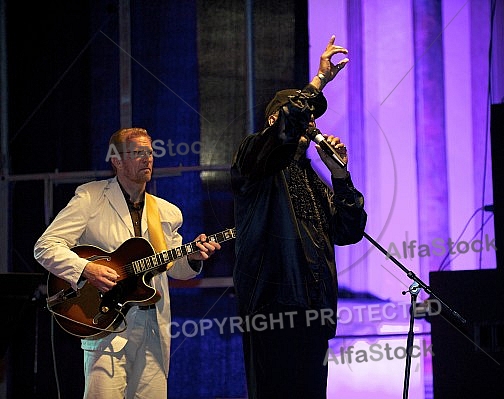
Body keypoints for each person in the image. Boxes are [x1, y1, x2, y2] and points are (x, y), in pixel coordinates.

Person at [34, 127, 221, 398]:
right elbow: (45, 246)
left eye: (150, 152)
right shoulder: (90, 197)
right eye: (137, 153)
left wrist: (191, 258)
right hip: (104, 322)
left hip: (153, 330)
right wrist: (86, 269)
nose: (147, 159)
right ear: (117, 161)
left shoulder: (167, 211)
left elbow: (172, 268)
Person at [230, 35, 367, 399]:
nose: (310, 125)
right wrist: (320, 79)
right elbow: (286, 127)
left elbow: (349, 230)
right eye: (304, 117)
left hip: (315, 314)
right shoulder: (254, 159)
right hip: (272, 311)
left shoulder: (312, 178)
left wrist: (340, 176)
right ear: (277, 118)